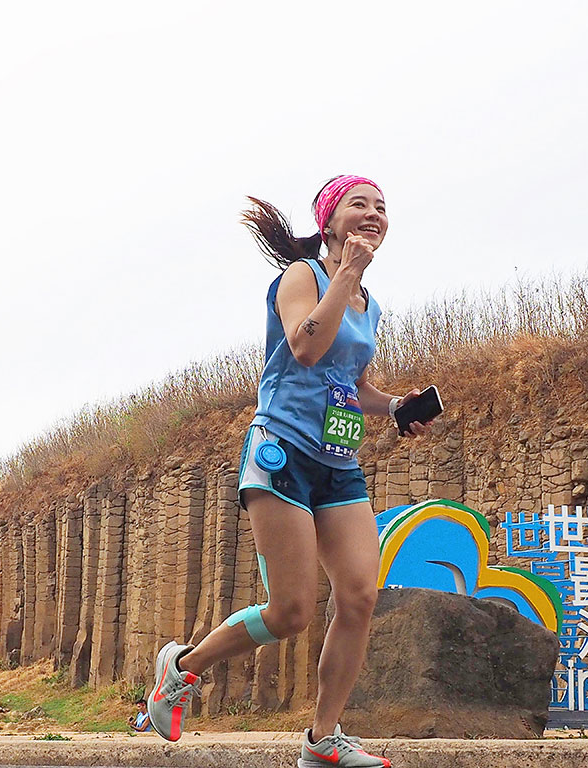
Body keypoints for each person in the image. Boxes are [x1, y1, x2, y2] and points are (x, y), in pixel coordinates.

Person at [147, 176, 434, 768]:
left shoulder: (369, 304)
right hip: (282, 451)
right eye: (360, 204)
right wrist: (346, 274)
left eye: (382, 207)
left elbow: (348, 382)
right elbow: (306, 348)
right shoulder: (303, 278)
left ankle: (323, 740)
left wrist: (395, 406)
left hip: (339, 464)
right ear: (329, 222)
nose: (374, 213)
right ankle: (182, 668)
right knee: (292, 612)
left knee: (358, 596)